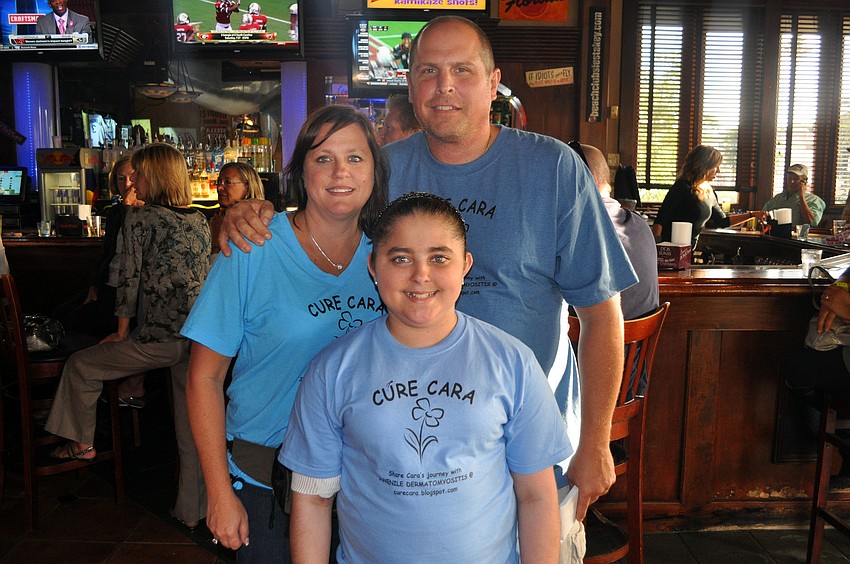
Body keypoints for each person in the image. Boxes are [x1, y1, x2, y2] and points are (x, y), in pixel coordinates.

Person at [219, 15, 637, 520]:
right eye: (427, 72)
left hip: (525, 446)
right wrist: (257, 212)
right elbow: (325, 214)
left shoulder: (552, 168)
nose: (444, 88)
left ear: (493, 83)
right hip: (405, 450)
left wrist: (594, 441)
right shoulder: (384, 169)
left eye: (462, 70)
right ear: (410, 85)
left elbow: (600, 312)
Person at [281, 193, 572, 563]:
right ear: (373, 266)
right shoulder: (332, 370)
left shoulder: (513, 363)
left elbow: (536, 496)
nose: (421, 275)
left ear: (465, 265)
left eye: (439, 258)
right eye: (400, 259)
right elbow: (314, 499)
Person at [182, 105, 387, 561]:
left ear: (375, 170)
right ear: (299, 170)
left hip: (365, 484)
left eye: (355, 158)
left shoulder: (388, 255)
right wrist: (218, 493)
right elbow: (203, 378)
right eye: (322, 158)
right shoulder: (253, 245)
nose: (340, 172)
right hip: (266, 482)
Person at [44, 143, 211, 529]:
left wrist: (121, 332)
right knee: (191, 432)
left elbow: (127, 279)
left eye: (137, 173)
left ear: (155, 175)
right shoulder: (200, 219)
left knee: (81, 365)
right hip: (199, 339)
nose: (130, 179)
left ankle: (82, 443)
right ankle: (191, 511)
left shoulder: (141, 218)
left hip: (158, 338)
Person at [52, 155, 148, 406]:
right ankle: (74, 393)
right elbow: (107, 253)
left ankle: (89, 390)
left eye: (132, 177)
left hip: (130, 297)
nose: (127, 183)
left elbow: (134, 262)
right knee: (57, 316)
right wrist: (94, 284)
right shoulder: (115, 211)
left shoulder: (148, 212)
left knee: (68, 324)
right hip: (108, 287)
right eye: (120, 178)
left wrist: (129, 209)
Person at [578, 143, 659, 321]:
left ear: (583, 178)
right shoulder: (640, 223)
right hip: (637, 346)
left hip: (588, 346)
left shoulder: (577, 228)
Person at [653, 145, 761, 243]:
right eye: (716, 166)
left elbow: (723, 221)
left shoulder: (709, 192)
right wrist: (656, 248)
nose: (718, 171)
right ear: (704, 166)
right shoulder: (682, 187)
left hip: (689, 250)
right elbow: (660, 221)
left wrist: (751, 215)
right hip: (671, 249)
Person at [209, 162, 265, 256]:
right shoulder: (217, 220)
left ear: (247, 187)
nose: (219, 187)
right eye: (219, 182)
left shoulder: (257, 222)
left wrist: (215, 244)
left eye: (227, 182)